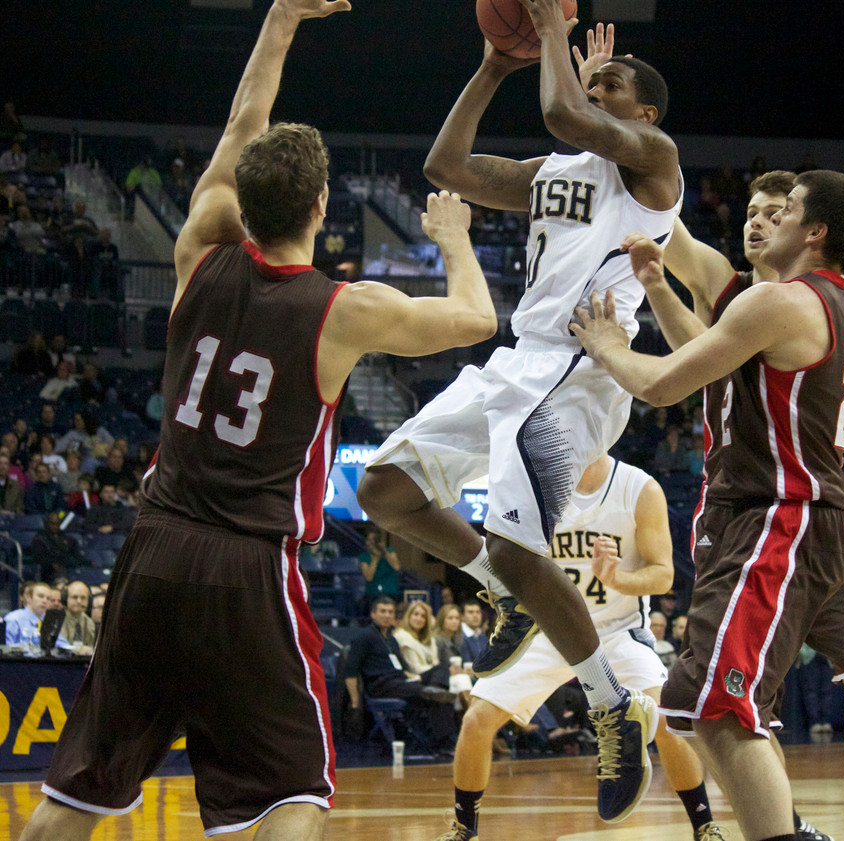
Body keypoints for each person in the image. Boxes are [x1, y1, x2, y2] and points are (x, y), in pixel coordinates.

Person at [16, 3, 499, 839]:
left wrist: (280, 19)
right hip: (246, 564)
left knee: (78, 794)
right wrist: (452, 235)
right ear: (322, 205)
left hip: (152, 549)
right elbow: (475, 318)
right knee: (292, 795)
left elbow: (245, 120)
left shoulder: (197, 248)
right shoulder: (343, 310)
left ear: (240, 198)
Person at [570, 68, 844, 840]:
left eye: (780, 210)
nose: (760, 220)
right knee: (718, 704)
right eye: (753, 211)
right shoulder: (748, 289)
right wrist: (600, 120)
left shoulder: (792, 297)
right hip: (793, 511)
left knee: (794, 692)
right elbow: (659, 226)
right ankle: (789, 822)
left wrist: (610, 343)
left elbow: (671, 373)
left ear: (809, 230)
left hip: (781, 515)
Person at [357, 3, 682, 822]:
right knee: (385, 490)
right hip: (516, 361)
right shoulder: (550, 171)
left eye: (614, 83)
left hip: (581, 371)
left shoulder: (653, 165)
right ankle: (497, 588)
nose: (595, 87)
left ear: (643, 114)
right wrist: (495, 65)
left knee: (517, 539)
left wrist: (549, 28)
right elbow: (447, 163)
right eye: (593, 75)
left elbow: (565, 108)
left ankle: (610, 704)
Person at [433, 454, 726, 841]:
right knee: (476, 721)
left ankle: (705, 825)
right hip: (549, 629)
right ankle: (463, 830)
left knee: (669, 722)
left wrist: (617, 577)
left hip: (618, 631)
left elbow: (663, 575)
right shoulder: (536, 485)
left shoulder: (639, 488)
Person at [343, 596, 457, 754]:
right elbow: (351, 672)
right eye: (383, 611)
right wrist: (355, 704)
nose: (387, 615)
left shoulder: (391, 639)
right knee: (427, 692)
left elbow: (403, 669)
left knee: (441, 669)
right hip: (381, 685)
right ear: (373, 614)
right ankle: (445, 741)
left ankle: (435, 690)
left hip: (401, 681)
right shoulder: (364, 637)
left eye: (390, 612)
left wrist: (418, 678)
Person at [31, 512, 83, 582]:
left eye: (57, 524)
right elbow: (39, 558)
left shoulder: (69, 540)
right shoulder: (39, 539)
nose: (55, 527)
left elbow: (76, 557)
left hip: (67, 571)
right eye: (52, 524)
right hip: (47, 573)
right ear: (47, 524)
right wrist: (52, 564)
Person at [358, 524, 402, 607]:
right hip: (373, 594)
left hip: (390, 591)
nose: (371, 543)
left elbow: (397, 567)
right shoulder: (364, 556)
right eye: (369, 540)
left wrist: (383, 550)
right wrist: (375, 558)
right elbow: (368, 577)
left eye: (374, 540)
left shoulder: (390, 551)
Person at [58, 580, 97, 656]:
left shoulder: (89, 622)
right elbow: (61, 647)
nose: (79, 601)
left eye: (83, 598)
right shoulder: (59, 619)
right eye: (74, 597)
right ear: (65, 599)